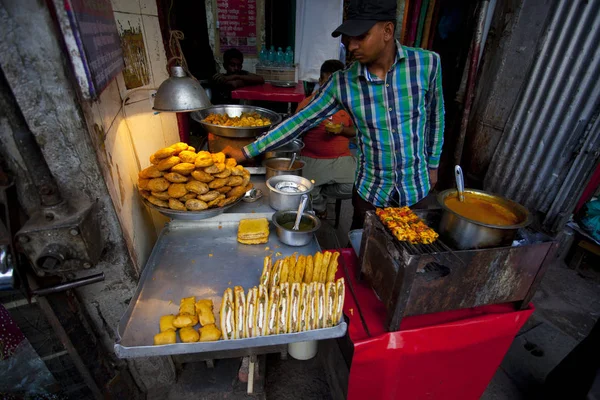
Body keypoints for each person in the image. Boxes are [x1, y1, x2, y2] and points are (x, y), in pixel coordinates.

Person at [225, 0, 444, 229]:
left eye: (361, 36)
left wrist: (433, 166)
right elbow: (299, 121)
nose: (351, 47)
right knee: (363, 251)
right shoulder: (342, 83)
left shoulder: (427, 64)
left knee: (413, 253)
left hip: (416, 188)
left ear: (387, 31)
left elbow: (436, 118)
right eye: (349, 39)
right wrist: (245, 151)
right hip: (371, 192)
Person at [297, 59, 356, 218]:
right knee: (305, 190)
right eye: (326, 82)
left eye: (336, 83)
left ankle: (322, 190)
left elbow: (355, 131)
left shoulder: (349, 104)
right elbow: (296, 134)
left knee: (355, 187)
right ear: (320, 81)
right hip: (312, 159)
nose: (331, 88)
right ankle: (320, 205)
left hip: (341, 159)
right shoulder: (306, 105)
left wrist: (342, 130)